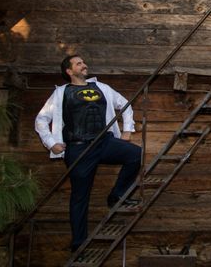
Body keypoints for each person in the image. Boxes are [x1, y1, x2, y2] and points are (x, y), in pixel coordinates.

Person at [35, 55, 142, 251]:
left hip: (104, 141)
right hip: (78, 148)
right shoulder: (61, 94)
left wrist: (128, 129)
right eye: (78, 64)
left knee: (135, 154)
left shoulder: (103, 88)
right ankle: (79, 244)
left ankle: (117, 195)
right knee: (79, 196)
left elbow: (125, 104)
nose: (84, 65)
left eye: (83, 62)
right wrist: (51, 143)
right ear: (69, 71)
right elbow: (41, 119)